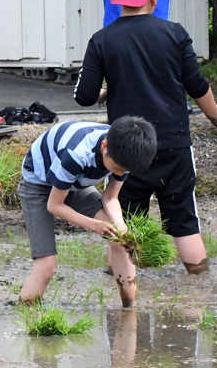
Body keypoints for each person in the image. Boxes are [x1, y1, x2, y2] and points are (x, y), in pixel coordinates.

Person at [74, 0, 217, 283]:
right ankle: (200, 287)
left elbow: (84, 95)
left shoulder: (102, 40)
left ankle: (121, 294)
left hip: (126, 149)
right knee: (184, 221)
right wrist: (216, 115)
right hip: (173, 145)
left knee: (123, 218)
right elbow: (197, 86)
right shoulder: (174, 34)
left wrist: (108, 90)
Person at [18, 117, 158, 308]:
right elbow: (55, 205)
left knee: (119, 241)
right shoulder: (76, 154)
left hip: (75, 183)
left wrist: (121, 227)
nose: (119, 172)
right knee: (46, 266)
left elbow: (110, 197)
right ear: (104, 145)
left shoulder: (125, 153)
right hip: (39, 184)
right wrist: (95, 225)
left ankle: (129, 308)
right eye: (116, 168)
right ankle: (25, 314)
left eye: (123, 171)